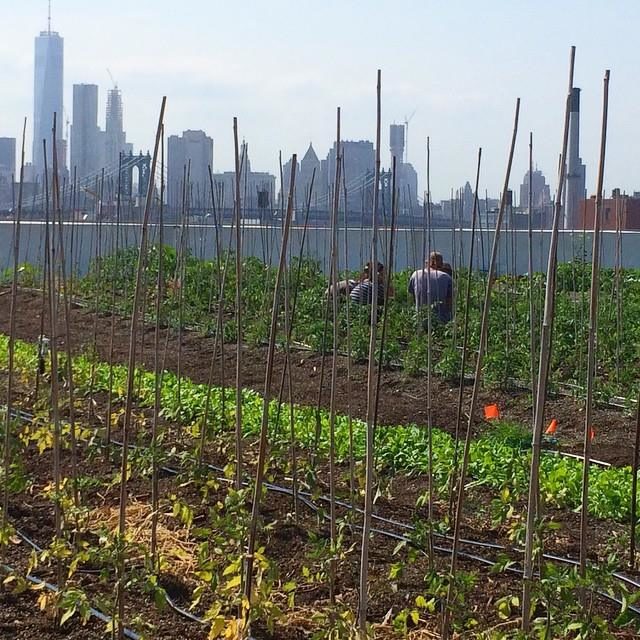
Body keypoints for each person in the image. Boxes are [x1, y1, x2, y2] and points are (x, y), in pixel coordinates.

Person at [408, 251, 453, 324]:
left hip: (419, 318)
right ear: (441, 264)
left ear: (429, 263)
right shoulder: (446, 277)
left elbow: (412, 296)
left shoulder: (415, 274)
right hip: (440, 321)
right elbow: (450, 303)